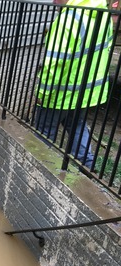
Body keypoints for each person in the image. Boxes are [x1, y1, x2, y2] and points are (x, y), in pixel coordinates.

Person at [35, 0, 113, 168]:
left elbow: (54, 63)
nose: (54, 1)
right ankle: (87, 166)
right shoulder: (102, 15)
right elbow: (105, 50)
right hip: (87, 91)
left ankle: (37, 168)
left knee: (43, 133)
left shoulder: (67, 19)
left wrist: (42, 94)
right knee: (77, 125)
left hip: (62, 92)